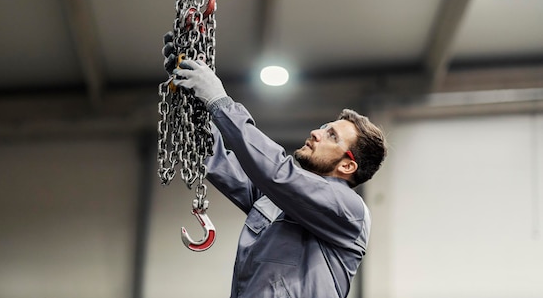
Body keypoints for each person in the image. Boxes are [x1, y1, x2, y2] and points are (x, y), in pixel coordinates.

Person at [164, 37, 387, 298]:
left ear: (348, 165)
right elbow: (222, 163)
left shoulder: (349, 210)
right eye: (324, 127)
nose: (317, 133)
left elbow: (276, 173)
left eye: (332, 136)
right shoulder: (279, 200)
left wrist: (219, 101)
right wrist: (193, 98)